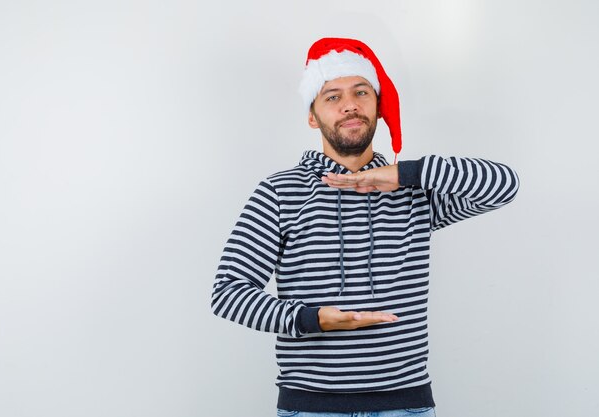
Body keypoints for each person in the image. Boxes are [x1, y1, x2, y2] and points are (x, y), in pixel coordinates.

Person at [211, 38, 519, 417]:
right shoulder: (279, 192)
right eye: (332, 96)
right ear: (313, 116)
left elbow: (503, 185)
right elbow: (228, 293)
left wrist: (405, 174)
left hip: (405, 405)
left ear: (377, 105)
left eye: (361, 92)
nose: (349, 105)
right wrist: (313, 318)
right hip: (312, 408)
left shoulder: (414, 193)